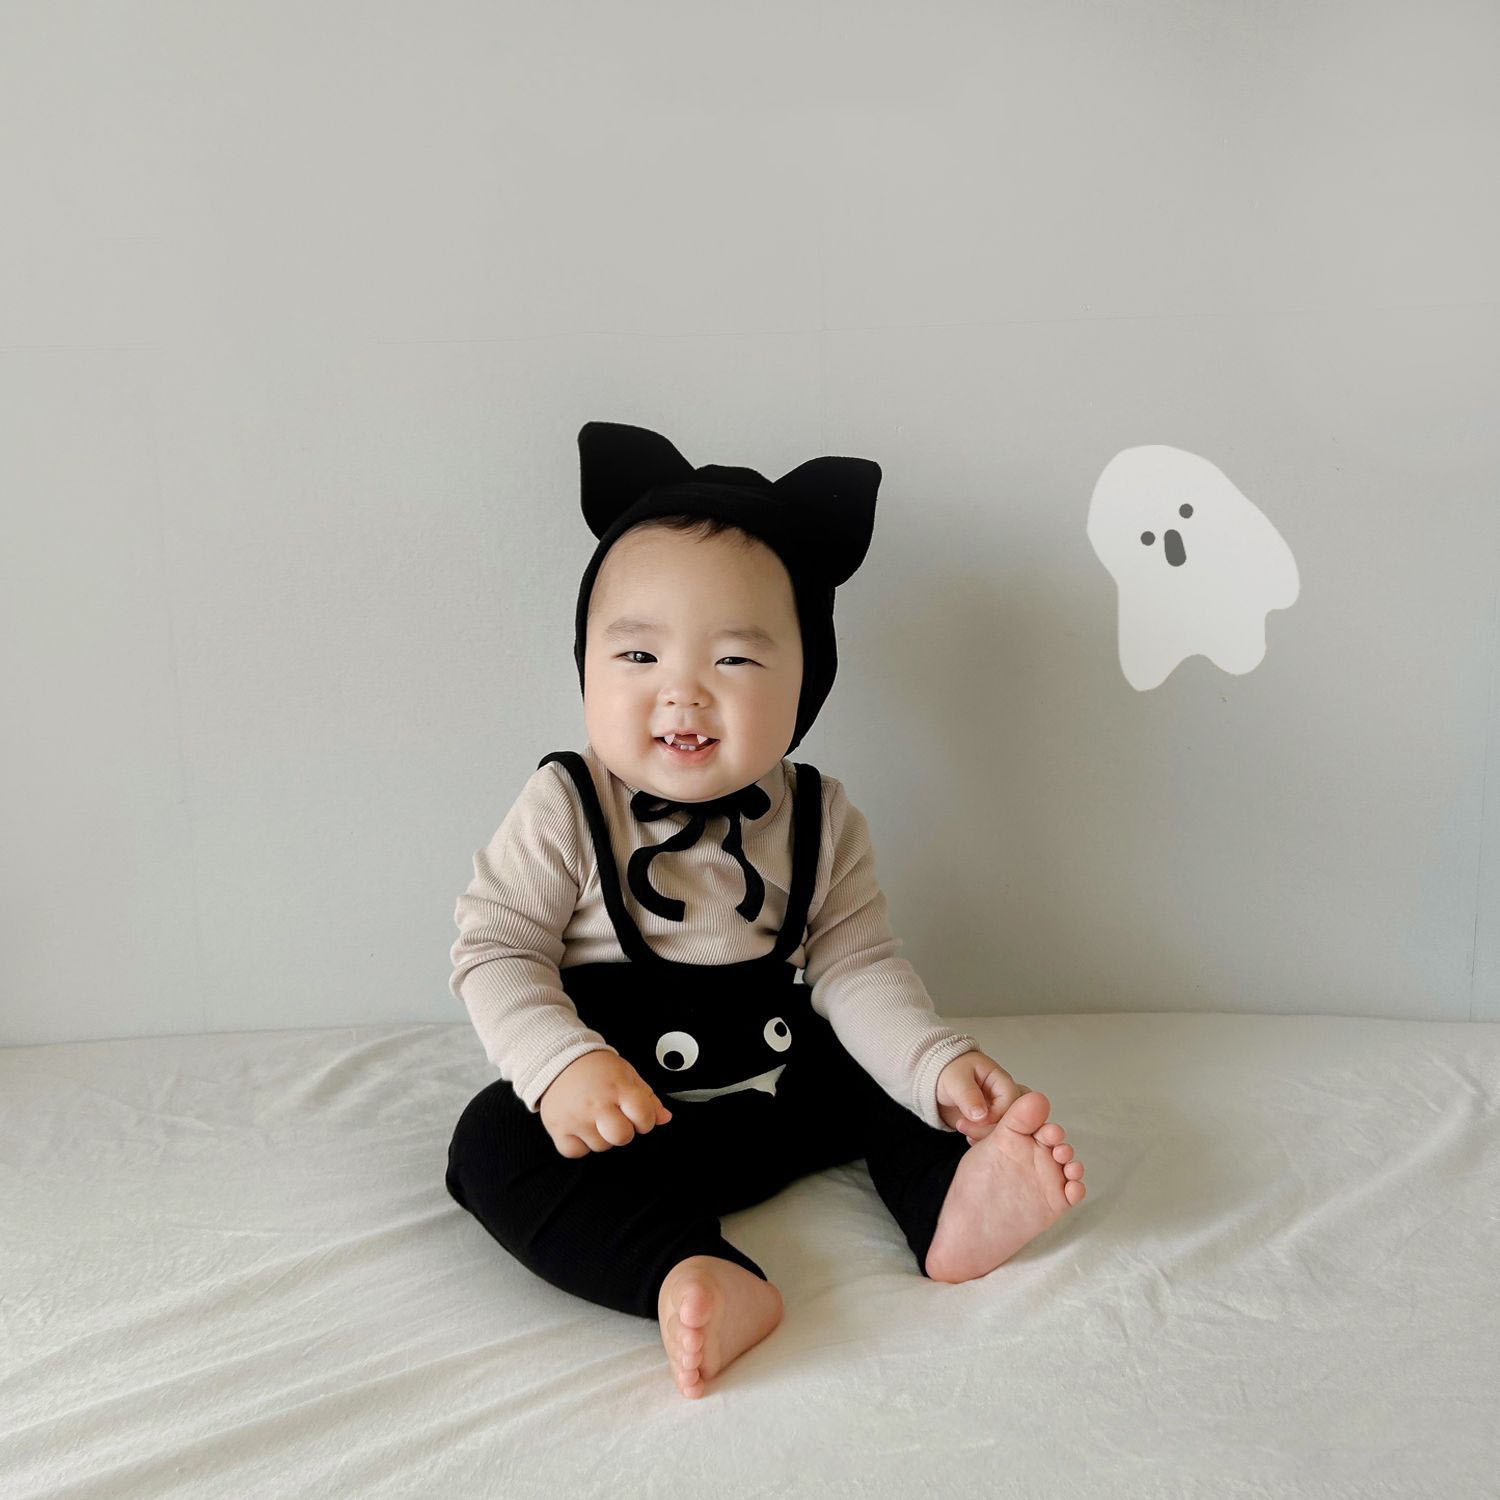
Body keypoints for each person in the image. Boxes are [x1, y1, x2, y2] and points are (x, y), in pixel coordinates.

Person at [445, 420, 1086, 1399]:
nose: (683, 694)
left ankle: (951, 1205)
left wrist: (934, 1063)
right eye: (638, 655)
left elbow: (858, 966)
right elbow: (494, 949)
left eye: (735, 662)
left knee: (878, 1069)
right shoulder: (567, 806)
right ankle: (686, 1268)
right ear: (586, 668)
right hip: (625, 1115)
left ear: (805, 685)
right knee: (491, 1142)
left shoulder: (822, 818)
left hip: (776, 1087)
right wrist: (559, 1064)